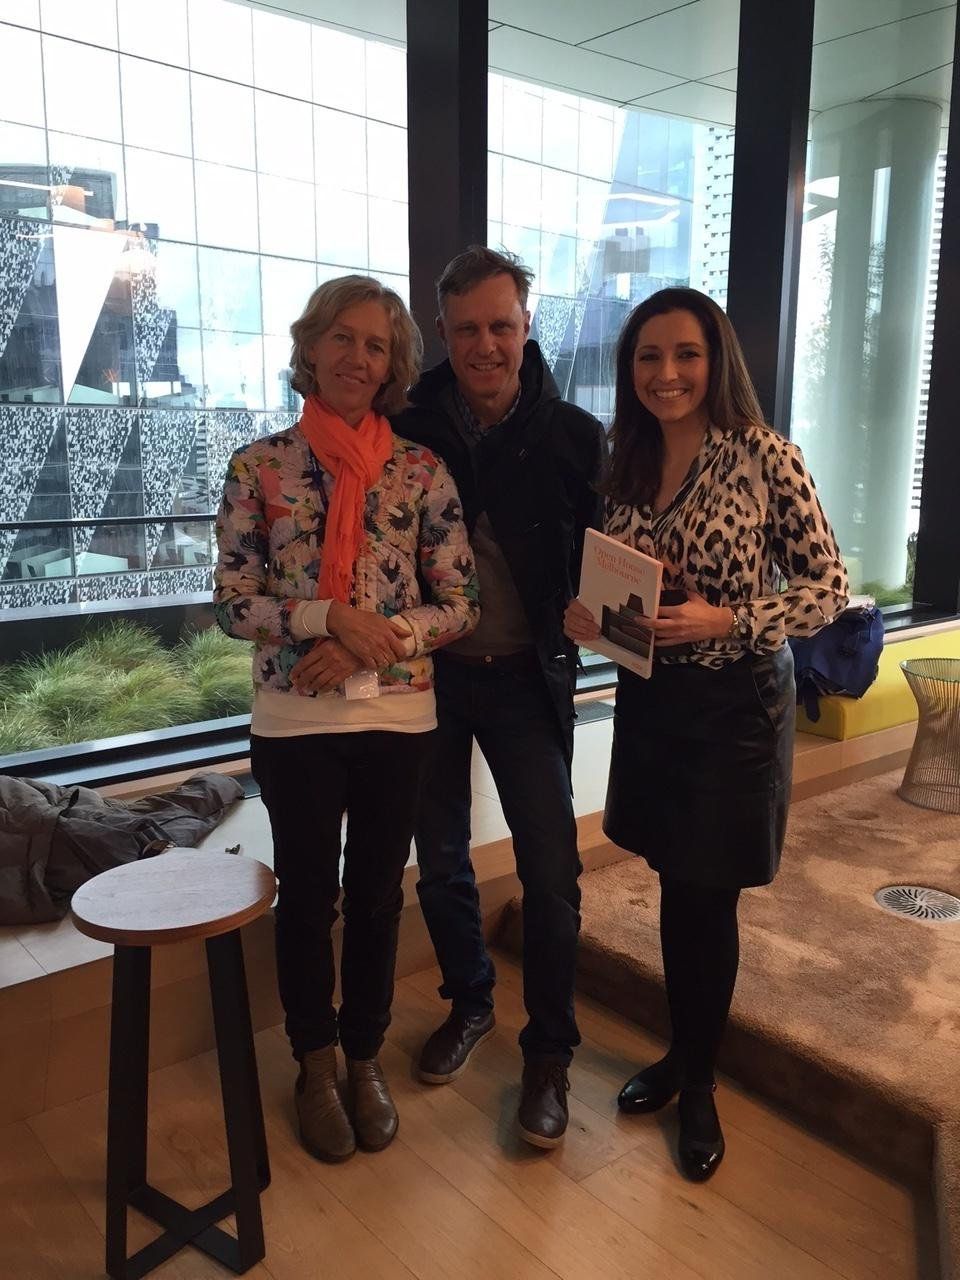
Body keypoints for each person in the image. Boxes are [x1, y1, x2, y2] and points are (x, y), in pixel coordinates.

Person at [564, 286, 848, 1180]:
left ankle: (699, 1084)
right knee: (671, 881)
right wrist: (594, 620)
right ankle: (681, 1053)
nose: (667, 373)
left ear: (715, 359)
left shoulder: (764, 455)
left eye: (685, 353)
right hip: (654, 701)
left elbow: (829, 589)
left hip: (736, 706)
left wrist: (729, 620)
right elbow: (630, 584)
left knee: (708, 894)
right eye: (648, 356)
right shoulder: (627, 458)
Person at [214, 275, 479, 1164]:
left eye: (376, 345)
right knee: (306, 898)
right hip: (295, 720)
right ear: (310, 346)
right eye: (342, 337)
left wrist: (374, 643)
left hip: (397, 719)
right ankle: (314, 1064)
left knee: (375, 896)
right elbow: (232, 602)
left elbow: (462, 604)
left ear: (393, 364)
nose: (358, 357)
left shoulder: (421, 471)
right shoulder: (259, 466)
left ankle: (364, 1058)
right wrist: (327, 619)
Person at [394, 246, 607, 1148]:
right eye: (467, 328)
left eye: (501, 326)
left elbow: (609, 560)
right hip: (429, 679)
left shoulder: (575, 435)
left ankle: (550, 1052)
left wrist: (603, 616)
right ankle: (470, 1000)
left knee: (551, 872)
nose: (485, 344)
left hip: (527, 677)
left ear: (528, 326)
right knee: (441, 857)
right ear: (442, 333)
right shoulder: (407, 428)